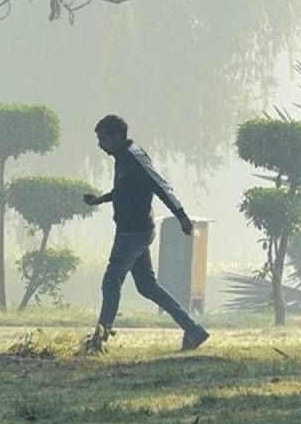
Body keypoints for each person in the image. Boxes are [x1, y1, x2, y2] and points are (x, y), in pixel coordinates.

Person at [81, 114, 210, 354]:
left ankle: (99, 341)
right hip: (134, 231)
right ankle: (194, 330)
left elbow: (161, 187)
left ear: (117, 136)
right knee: (148, 287)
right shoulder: (123, 157)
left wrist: (181, 215)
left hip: (133, 234)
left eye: (103, 138)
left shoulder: (134, 158)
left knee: (111, 282)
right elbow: (124, 189)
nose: (100, 144)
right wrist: (100, 199)